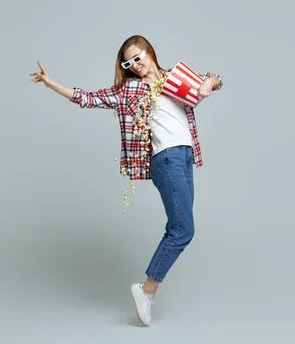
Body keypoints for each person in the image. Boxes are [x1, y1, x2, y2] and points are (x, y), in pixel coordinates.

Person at [29, 35, 223, 326]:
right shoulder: (130, 90)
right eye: (129, 62)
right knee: (183, 229)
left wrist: (209, 83)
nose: (136, 64)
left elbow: (212, 78)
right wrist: (51, 83)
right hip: (166, 159)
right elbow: (88, 99)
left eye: (138, 56)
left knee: (178, 227)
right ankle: (147, 290)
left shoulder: (175, 77)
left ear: (149, 51)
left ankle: (146, 290)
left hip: (184, 158)